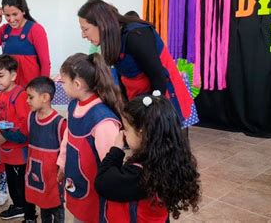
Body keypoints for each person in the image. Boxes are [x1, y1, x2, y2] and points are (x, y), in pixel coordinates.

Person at [77, 0, 195, 127]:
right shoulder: (114, 39)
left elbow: (158, 76)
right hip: (140, 99)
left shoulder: (136, 35)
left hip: (160, 98)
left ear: (101, 24)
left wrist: (151, 113)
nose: (83, 35)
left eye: (85, 29)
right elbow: (122, 77)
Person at [95, 92, 201, 221]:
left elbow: (101, 182)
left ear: (142, 133)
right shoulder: (169, 161)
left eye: (127, 129)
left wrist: (116, 149)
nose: (123, 133)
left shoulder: (137, 175)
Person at [57, 53, 123, 223]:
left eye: (63, 82)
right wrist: (62, 165)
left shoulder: (102, 120)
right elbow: (68, 137)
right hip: (76, 180)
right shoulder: (74, 105)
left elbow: (111, 165)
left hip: (96, 192)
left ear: (77, 84)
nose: (61, 84)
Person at [0, 54, 37, 222]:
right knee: (11, 181)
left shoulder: (21, 95)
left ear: (13, 75)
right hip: (6, 151)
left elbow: (25, 128)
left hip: (19, 151)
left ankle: (28, 211)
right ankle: (18, 206)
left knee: (22, 184)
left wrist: (4, 135)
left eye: (1, 75)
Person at [0, 0, 51, 87]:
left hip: (30, 88)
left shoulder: (35, 29)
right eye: (7, 15)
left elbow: (45, 62)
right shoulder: (4, 30)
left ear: (23, 11)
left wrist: (43, 86)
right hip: (10, 89)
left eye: (15, 14)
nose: (11, 19)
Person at [25, 76, 67, 223]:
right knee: (43, 205)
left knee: (57, 207)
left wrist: (63, 170)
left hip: (53, 176)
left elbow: (66, 151)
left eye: (30, 97)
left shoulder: (60, 123)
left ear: (45, 97)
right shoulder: (30, 117)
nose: (27, 101)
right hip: (36, 173)